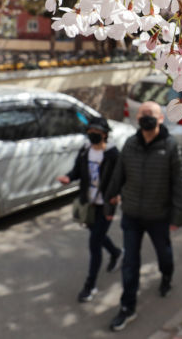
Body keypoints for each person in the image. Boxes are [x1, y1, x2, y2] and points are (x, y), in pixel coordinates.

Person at [104, 101, 182, 332]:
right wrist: (109, 207)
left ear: (161, 119)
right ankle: (127, 308)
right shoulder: (130, 144)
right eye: (142, 114)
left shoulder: (170, 147)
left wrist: (176, 217)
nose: (145, 117)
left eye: (151, 114)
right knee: (130, 263)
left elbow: (178, 184)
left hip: (159, 216)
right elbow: (118, 176)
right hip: (131, 215)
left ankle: (166, 277)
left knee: (164, 255)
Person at [58, 116, 123, 303]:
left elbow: (121, 178)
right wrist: (68, 178)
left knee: (94, 244)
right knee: (97, 235)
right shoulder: (85, 150)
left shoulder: (112, 154)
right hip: (88, 204)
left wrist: (118, 196)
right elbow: (77, 171)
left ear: (105, 134)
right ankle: (117, 253)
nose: (92, 135)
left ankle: (90, 286)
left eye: (97, 132)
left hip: (105, 206)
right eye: (90, 132)